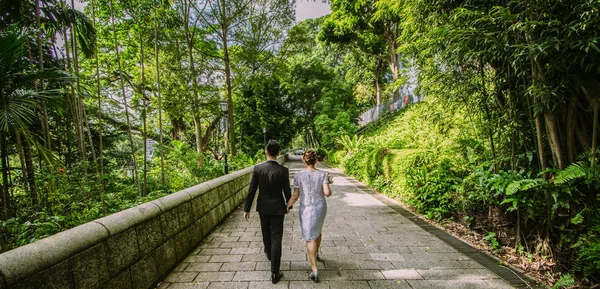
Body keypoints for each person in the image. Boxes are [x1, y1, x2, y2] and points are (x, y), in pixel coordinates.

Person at [243, 139, 291, 284]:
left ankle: (269, 253)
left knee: (266, 234)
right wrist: (288, 205)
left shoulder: (258, 169)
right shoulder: (283, 170)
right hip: (277, 208)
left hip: (263, 208)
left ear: (266, 152)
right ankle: (275, 272)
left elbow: (252, 190)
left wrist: (247, 209)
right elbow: (286, 190)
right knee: (277, 237)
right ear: (278, 153)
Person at [286, 149, 332, 283]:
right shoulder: (323, 174)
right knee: (317, 231)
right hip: (320, 206)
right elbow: (327, 193)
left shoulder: (299, 175)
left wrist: (287, 205)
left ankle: (314, 269)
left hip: (306, 208)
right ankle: (316, 254)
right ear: (316, 160)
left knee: (309, 238)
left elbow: (295, 195)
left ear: (304, 160)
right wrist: (328, 183)